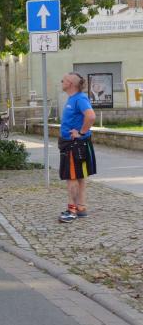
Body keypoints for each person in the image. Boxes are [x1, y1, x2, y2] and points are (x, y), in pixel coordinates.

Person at [58, 72, 97, 223]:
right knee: (79, 176)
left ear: (70, 84)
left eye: (63, 80)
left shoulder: (80, 98)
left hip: (74, 144)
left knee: (72, 177)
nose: (61, 82)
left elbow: (91, 116)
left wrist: (81, 132)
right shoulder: (73, 98)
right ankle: (81, 207)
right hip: (72, 143)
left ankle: (72, 210)